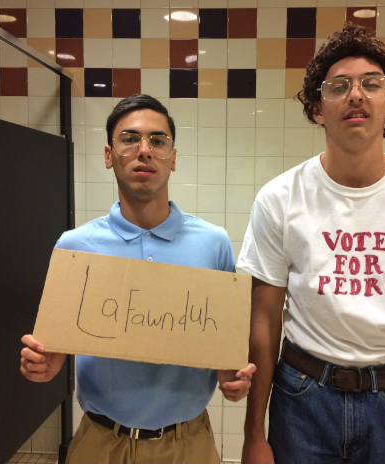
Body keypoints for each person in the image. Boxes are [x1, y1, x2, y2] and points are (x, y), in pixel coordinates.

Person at [238, 23, 385, 464]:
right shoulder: (279, 198)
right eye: (339, 86)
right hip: (301, 396)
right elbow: (265, 318)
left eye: (371, 84)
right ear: (317, 109)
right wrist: (253, 434)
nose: (356, 95)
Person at [19, 94, 256, 464]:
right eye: (129, 139)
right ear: (109, 155)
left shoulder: (213, 243)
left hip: (188, 445)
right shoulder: (76, 246)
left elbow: (223, 354)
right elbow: (54, 352)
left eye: (157, 141)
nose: (144, 150)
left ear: (172, 158)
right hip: (101, 443)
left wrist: (235, 379)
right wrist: (42, 366)